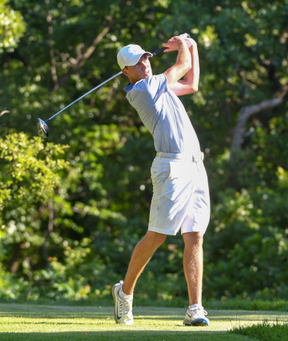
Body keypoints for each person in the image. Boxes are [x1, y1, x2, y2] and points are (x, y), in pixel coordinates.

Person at [112, 35, 211, 327]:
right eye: (135, 63)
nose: (143, 64)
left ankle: (195, 308)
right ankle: (124, 293)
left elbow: (192, 84)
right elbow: (182, 65)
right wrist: (185, 45)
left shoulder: (160, 86)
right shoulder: (144, 89)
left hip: (195, 165)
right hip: (171, 168)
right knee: (157, 235)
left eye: (144, 58)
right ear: (125, 73)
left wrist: (191, 46)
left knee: (194, 235)